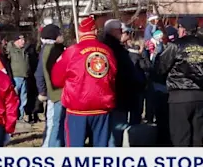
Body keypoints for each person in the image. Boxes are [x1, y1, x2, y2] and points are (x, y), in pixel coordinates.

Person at [51, 16, 117, 147]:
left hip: (78, 108)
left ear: (79, 33)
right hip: (102, 107)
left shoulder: (72, 52)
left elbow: (56, 80)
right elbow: (113, 76)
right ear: (95, 32)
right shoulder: (108, 52)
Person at [155, 17, 203, 147]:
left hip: (179, 96)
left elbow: (160, 68)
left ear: (182, 29)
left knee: (181, 137)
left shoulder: (176, 45)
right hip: (200, 96)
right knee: (197, 138)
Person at [102, 19, 145, 147]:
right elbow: (124, 74)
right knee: (115, 135)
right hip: (118, 97)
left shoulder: (105, 48)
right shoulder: (116, 51)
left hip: (107, 97)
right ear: (115, 32)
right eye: (121, 31)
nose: (123, 34)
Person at [36, 24, 66, 147]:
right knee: (54, 124)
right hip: (55, 94)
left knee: (60, 124)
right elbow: (39, 74)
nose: (62, 35)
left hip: (62, 93)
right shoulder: (49, 50)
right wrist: (43, 92)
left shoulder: (57, 49)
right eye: (59, 33)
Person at [5, 34, 30, 122]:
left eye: (24, 40)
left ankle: (22, 115)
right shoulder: (11, 50)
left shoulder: (25, 50)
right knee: (14, 98)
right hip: (15, 77)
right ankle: (14, 115)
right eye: (21, 40)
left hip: (24, 76)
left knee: (24, 97)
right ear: (16, 41)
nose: (23, 42)